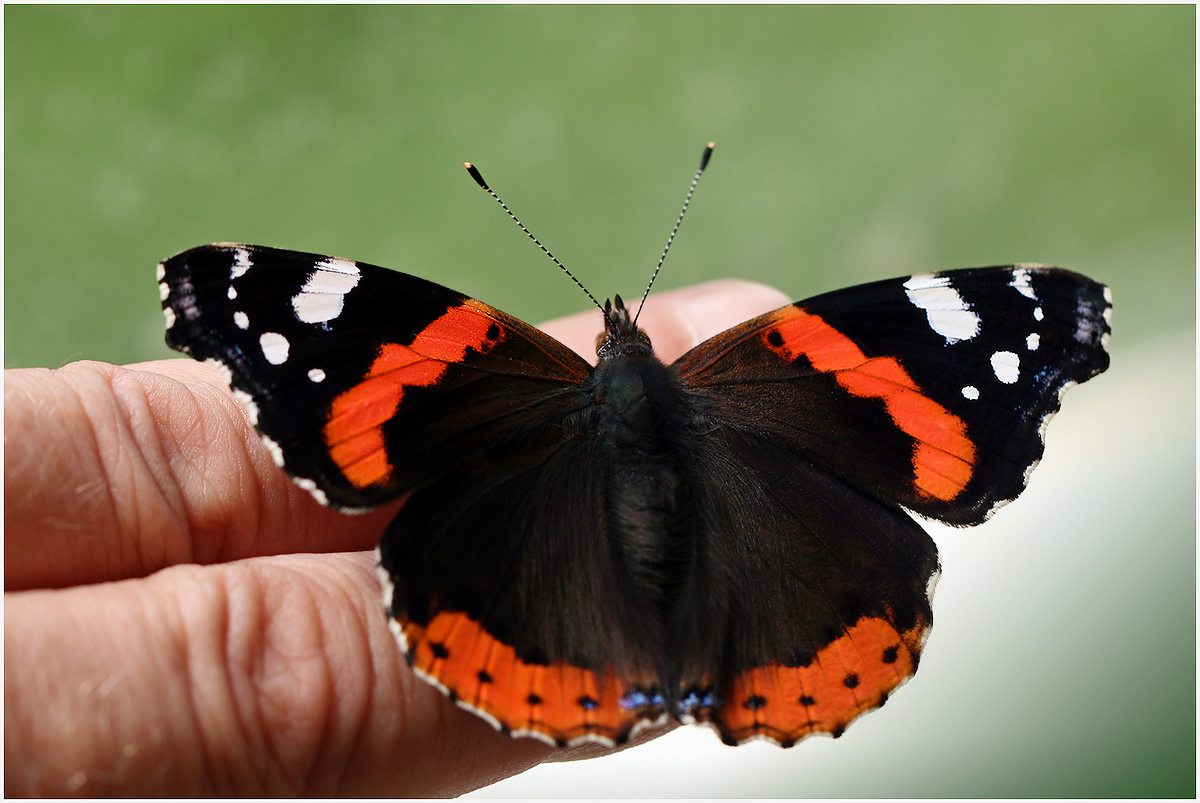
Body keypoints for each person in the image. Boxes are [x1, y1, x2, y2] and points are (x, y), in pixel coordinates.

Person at [4, 280, 788, 796]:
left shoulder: (480, 356)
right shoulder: (769, 365)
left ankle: (614, 676)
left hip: (525, 537)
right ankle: (784, 665)